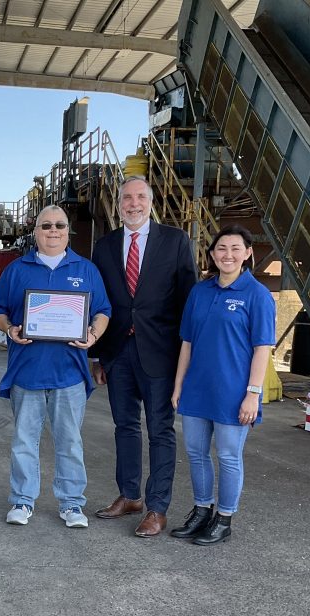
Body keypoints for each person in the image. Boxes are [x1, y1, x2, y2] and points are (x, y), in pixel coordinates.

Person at [90, 176, 197, 538]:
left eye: (139, 197)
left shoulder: (175, 241)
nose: (132, 204)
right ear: (119, 204)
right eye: (126, 198)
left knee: (160, 430)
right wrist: (98, 355)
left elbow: (188, 301)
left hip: (161, 353)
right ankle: (129, 495)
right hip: (118, 352)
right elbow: (97, 304)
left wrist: (186, 357)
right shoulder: (104, 246)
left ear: (150, 202)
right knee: (125, 427)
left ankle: (157, 508)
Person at [0, 205, 111, 528]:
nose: (53, 230)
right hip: (26, 370)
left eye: (59, 225)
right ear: (36, 231)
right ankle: (22, 500)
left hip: (69, 372)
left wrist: (93, 334)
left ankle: (72, 504)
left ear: (68, 230)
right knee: (23, 441)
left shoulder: (85, 270)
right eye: (46, 225)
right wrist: (8, 329)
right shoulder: (17, 270)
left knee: (69, 441)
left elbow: (102, 310)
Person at [170, 225, 275, 545]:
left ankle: (224, 518)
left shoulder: (257, 295)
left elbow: (262, 349)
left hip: (233, 393)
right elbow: (186, 343)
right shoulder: (200, 292)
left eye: (235, 248)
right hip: (198, 389)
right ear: (212, 255)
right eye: (221, 249)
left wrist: (252, 395)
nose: (227, 254)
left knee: (229, 456)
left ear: (247, 254)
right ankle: (202, 511)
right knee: (196, 452)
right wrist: (178, 387)